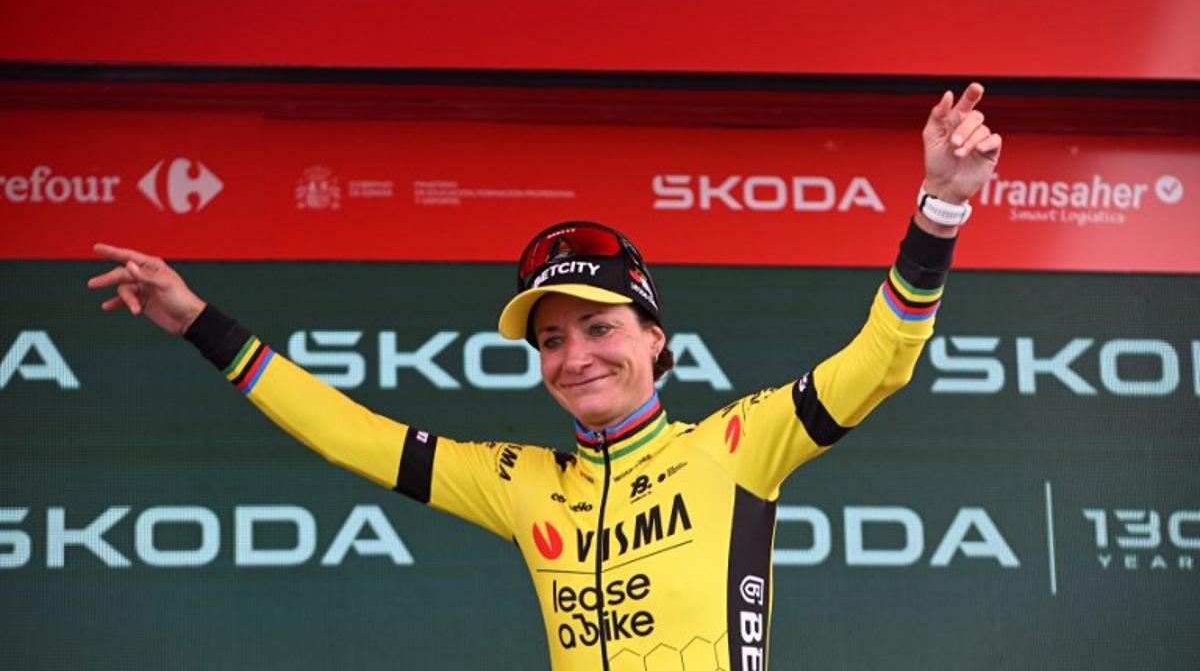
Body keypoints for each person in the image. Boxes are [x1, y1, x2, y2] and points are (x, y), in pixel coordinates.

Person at [88, 83, 1001, 671]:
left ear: (655, 341)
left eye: (599, 329)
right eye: (551, 339)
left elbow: (882, 359)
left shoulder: (736, 446)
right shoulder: (522, 483)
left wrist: (941, 206)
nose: (574, 358)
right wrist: (196, 323)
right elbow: (346, 433)